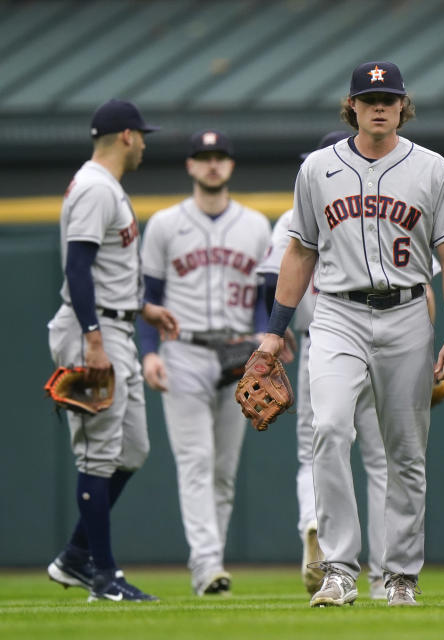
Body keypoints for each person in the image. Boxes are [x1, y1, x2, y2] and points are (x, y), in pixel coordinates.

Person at [254, 61, 444, 608]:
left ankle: (400, 574)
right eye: (369, 97)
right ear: (350, 106)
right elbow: (300, 250)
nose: (379, 105)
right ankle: (337, 568)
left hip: (406, 314)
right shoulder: (316, 168)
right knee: (328, 430)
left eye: (389, 97)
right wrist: (274, 333)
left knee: (405, 452)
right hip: (337, 314)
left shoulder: (431, 168)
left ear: (404, 105)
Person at [46, 98, 178, 602]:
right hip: (93, 333)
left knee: (133, 448)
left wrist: (141, 309)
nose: (144, 142)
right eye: (142, 134)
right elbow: (77, 269)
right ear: (126, 136)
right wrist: (94, 340)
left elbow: (102, 270)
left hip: (115, 325)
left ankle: (77, 555)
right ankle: (103, 575)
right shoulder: (96, 189)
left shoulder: (106, 188)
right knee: (99, 454)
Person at [138, 130, 273, 596]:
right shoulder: (163, 224)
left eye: (219, 157)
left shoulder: (256, 225)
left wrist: (263, 336)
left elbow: (262, 296)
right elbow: (148, 299)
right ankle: (208, 564)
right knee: (196, 461)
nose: (212, 164)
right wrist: (149, 352)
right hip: (185, 350)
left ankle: (208, 562)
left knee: (224, 469)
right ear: (190, 166)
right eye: (203, 157)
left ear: (230, 166)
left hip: (240, 354)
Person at [258, 129, 389, 600]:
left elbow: (271, 281)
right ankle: (385, 573)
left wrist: (274, 331)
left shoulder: (294, 216)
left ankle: (317, 528)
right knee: (382, 460)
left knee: (318, 449)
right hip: (385, 339)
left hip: (321, 344)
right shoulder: (379, 205)